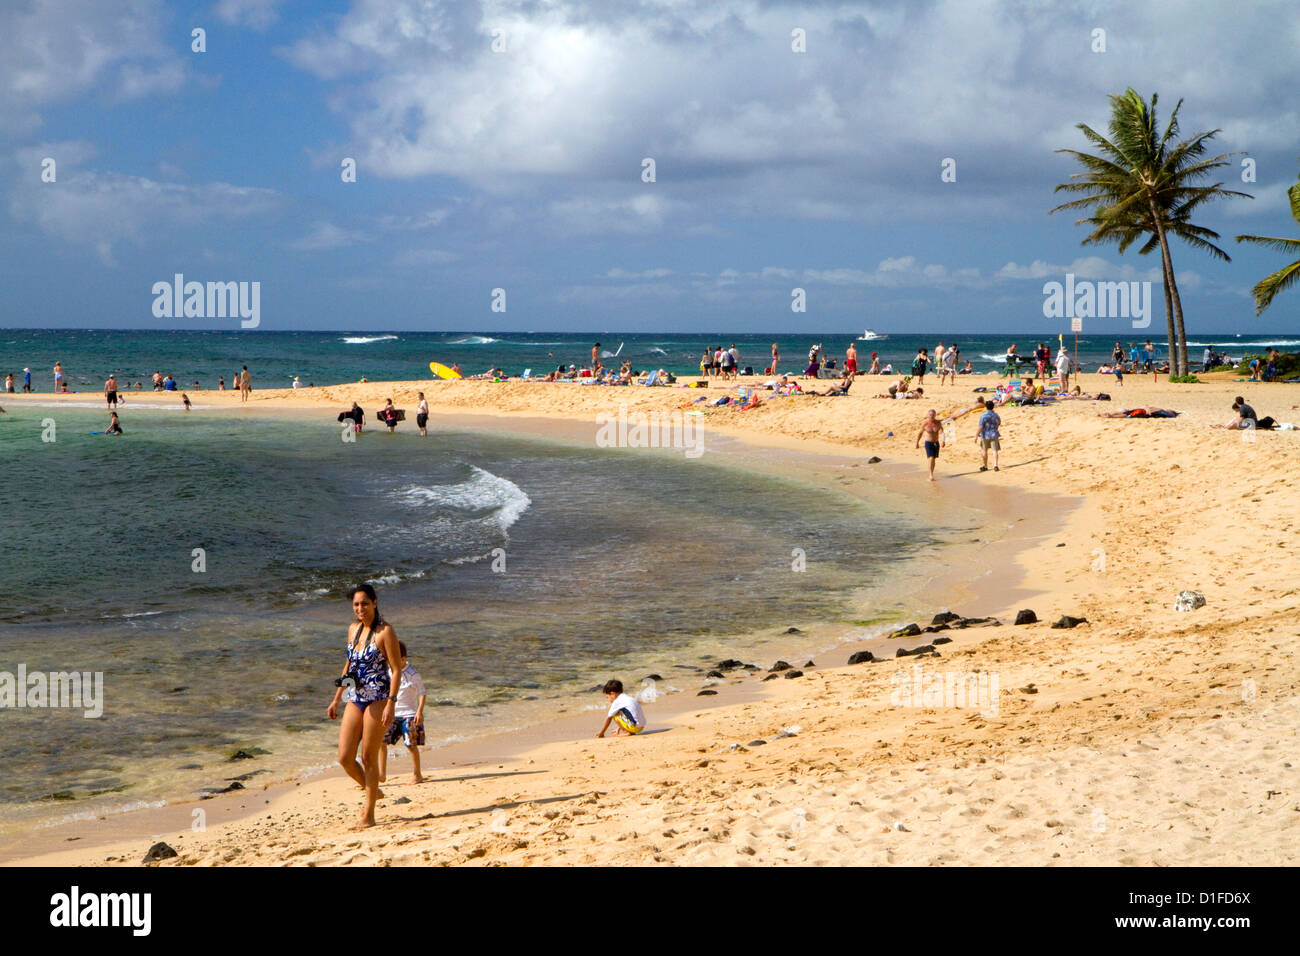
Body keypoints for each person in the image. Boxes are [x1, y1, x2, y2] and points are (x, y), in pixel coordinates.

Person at [327, 585, 402, 829]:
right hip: (355, 696)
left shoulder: (385, 632)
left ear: (375, 603)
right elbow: (349, 666)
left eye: (365, 604)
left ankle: (368, 815)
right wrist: (337, 697)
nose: (360, 609)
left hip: (379, 698)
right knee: (345, 757)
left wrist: (391, 702)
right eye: (357, 605)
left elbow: (396, 669)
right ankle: (372, 790)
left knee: (368, 757)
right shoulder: (353, 629)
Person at [377, 641, 426, 785]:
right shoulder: (388, 671)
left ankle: (417, 774)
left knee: (411, 744)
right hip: (392, 713)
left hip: (409, 714)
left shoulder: (412, 673)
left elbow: (422, 692)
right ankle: (381, 774)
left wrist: (419, 712)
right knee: (382, 742)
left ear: (403, 659)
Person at [915, 408, 946, 482]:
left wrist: (943, 440)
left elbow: (942, 432)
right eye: (930, 415)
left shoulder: (938, 423)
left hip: (936, 443)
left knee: (934, 459)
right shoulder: (925, 423)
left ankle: (932, 472)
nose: (931, 416)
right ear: (928, 415)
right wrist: (917, 443)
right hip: (928, 443)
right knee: (931, 458)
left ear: (935, 415)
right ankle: (931, 474)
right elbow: (920, 433)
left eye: (933, 415)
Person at [976, 400, 1001, 471]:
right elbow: (998, 423)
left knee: (984, 450)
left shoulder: (983, 416)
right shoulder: (996, 415)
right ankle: (995, 465)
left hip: (985, 434)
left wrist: (976, 435)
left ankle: (985, 465)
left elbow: (980, 426)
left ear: (986, 407)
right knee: (995, 450)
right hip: (994, 434)